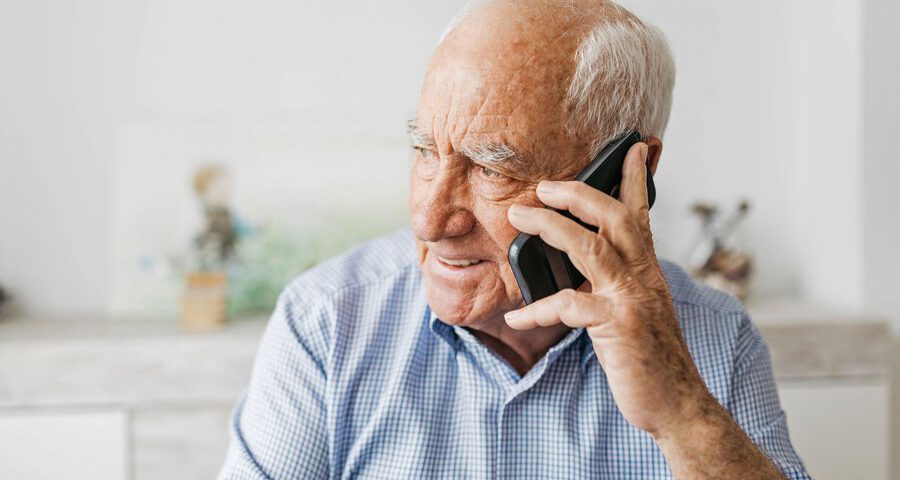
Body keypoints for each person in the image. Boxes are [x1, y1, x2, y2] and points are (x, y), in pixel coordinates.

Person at [219, 0, 811, 478]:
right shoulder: (324, 321)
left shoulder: (715, 336)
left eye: (492, 168)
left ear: (628, 171)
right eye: (425, 151)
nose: (429, 220)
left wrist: (684, 416)